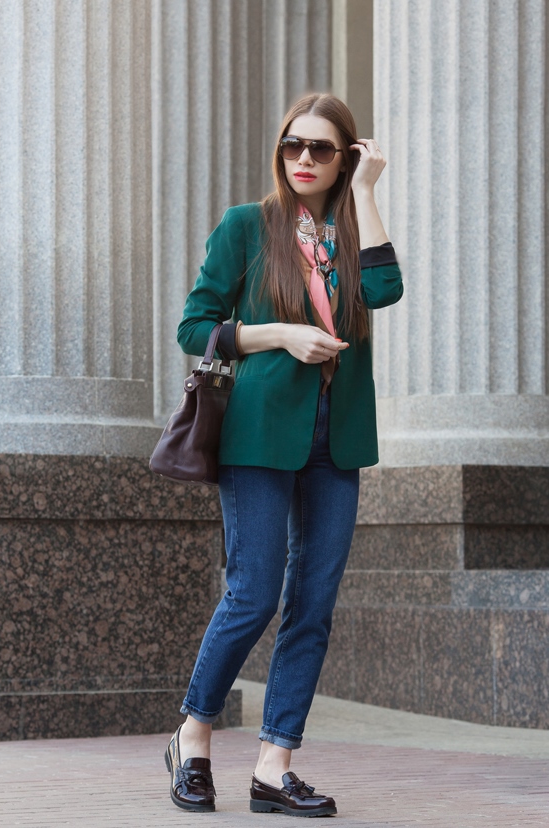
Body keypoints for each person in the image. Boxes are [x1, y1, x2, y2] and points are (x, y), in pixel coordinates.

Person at [165, 92, 403, 817]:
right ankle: (194, 735)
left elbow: (386, 289)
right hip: (260, 434)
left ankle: (275, 766)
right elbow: (195, 326)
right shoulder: (248, 225)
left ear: (345, 157)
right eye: (293, 145)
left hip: (338, 436)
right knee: (253, 594)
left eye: (321, 149)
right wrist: (279, 335)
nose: (303, 159)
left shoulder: (351, 231)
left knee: (313, 606)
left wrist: (366, 194)